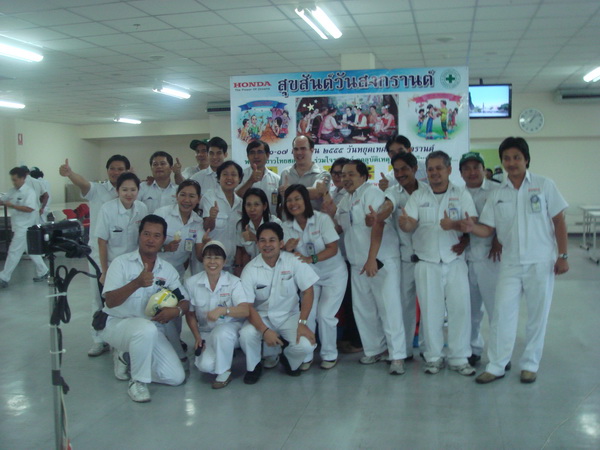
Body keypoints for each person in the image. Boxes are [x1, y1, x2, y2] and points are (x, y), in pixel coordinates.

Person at [461, 137, 569, 385]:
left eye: (516, 158)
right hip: (509, 264)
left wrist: (563, 255)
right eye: (507, 158)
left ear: (526, 159)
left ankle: (530, 364)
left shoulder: (544, 185)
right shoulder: (498, 193)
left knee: (537, 316)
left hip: (540, 261)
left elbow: (559, 221)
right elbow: (488, 229)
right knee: (502, 314)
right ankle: (497, 365)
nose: (511, 163)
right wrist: (471, 227)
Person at [400, 151, 477, 376]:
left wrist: (454, 225)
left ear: (449, 170)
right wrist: (405, 223)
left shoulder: (461, 194)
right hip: (427, 262)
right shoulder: (418, 196)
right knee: (430, 312)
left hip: (454, 261)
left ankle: (459, 358)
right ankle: (433, 357)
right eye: (431, 169)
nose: (434, 173)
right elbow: (409, 223)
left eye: (439, 168)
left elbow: (472, 222)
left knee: (459, 311)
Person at [328, 159, 407, 375]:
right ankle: (375, 350)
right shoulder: (345, 200)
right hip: (357, 264)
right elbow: (338, 228)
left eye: (351, 174)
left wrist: (372, 258)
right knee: (364, 310)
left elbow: (378, 225)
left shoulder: (372, 194)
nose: (346, 178)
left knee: (389, 309)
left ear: (364, 176)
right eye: (343, 175)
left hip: (380, 261)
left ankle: (397, 356)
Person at [99, 215, 190, 403]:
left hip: (150, 331)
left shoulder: (166, 270)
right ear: (139, 235)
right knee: (145, 328)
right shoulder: (121, 263)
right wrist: (136, 283)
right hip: (118, 325)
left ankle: (127, 357)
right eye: (146, 234)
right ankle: (137, 381)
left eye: (157, 236)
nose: (151, 240)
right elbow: (110, 301)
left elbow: (184, 300)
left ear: (163, 240)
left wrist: (177, 311)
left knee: (175, 377)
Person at [59, 154, 130, 357]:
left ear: (127, 170)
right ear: (107, 171)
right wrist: (70, 174)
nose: (116, 172)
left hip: (125, 253)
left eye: (121, 169)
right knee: (98, 297)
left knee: (126, 298)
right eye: (113, 168)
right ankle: (99, 339)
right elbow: (83, 183)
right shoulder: (98, 190)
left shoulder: (131, 190)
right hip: (99, 254)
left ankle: (122, 339)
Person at [239, 222, 318, 383]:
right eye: (262, 240)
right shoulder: (250, 269)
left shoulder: (293, 261)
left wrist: (302, 323)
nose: (267, 245)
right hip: (261, 317)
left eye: (272, 240)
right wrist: (264, 330)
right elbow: (247, 306)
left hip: (289, 316)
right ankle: (254, 366)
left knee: (307, 345)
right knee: (246, 334)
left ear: (281, 243)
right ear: (257, 243)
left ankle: (288, 358)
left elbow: (308, 291)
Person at [282, 184, 347, 370]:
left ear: (306, 200)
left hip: (333, 274)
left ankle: (329, 354)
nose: (293, 203)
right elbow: (286, 255)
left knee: (325, 315)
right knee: (308, 314)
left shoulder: (321, 219)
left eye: (297, 199)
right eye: (289, 200)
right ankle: (307, 354)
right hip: (309, 277)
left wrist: (311, 259)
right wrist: (288, 249)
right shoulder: (286, 226)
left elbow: (333, 249)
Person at [370, 152, 422, 359]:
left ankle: (431, 352)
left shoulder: (426, 191)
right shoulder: (393, 192)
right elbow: (387, 206)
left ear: (414, 169)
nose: (400, 174)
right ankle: (405, 351)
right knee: (405, 306)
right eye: (396, 170)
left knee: (431, 307)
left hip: (429, 259)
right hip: (406, 259)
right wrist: (379, 215)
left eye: (404, 169)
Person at [184, 241, 252, 389]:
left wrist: (224, 310)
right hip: (206, 331)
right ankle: (225, 354)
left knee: (222, 333)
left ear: (224, 261)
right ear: (202, 260)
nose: (212, 262)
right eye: (208, 257)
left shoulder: (234, 282)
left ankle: (224, 372)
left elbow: (245, 310)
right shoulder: (191, 283)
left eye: (217, 258)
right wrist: (197, 337)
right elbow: (190, 314)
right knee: (205, 366)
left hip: (231, 330)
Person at [458, 152, 501, 367]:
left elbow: (507, 219)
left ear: (484, 169)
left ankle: (499, 355)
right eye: (467, 168)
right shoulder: (457, 193)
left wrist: (499, 241)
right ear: (460, 173)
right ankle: (473, 349)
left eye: (476, 167)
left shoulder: (496, 190)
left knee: (496, 309)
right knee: (471, 310)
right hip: (466, 259)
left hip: (491, 257)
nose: (472, 172)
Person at [0, 167, 49, 288]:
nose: (14, 182)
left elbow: (29, 208)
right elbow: (3, 200)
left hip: (25, 227)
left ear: (23, 178)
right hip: (18, 225)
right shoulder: (13, 191)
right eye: (12, 180)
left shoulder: (29, 192)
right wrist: (5, 202)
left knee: (14, 251)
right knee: (31, 250)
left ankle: (4, 277)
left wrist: (12, 205)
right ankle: (43, 271)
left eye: (15, 180)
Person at [96, 173, 148, 286]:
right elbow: (102, 242)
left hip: (136, 264)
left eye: (133, 190)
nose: (129, 194)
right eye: (124, 190)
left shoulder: (142, 208)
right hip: (113, 264)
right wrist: (104, 272)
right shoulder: (107, 209)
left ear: (138, 190)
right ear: (117, 190)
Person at [154, 180, 205, 279]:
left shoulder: (198, 222)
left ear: (198, 199)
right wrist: (165, 248)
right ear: (176, 196)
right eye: (183, 195)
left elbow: (199, 256)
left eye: (191, 196)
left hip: (177, 273)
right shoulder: (162, 214)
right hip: (155, 268)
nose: (186, 200)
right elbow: (146, 245)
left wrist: (206, 244)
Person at [200, 161, 243, 272]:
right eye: (225, 174)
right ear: (219, 178)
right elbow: (207, 228)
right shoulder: (210, 197)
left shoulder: (241, 203)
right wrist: (212, 217)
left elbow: (239, 238)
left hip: (231, 263)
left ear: (239, 179)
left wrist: (238, 265)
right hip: (211, 261)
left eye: (233, 175)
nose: (229, 178)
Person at [279, 135, 331, 212]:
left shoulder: (323, 174)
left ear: (312, 150)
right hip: (288, 219)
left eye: (303, 149)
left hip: (313, 219)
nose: (299, 152)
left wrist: (290, 191)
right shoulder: (285, 173)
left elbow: (316, 193)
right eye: (296, 149)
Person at [235, 188, 281, 272]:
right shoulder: (241, 225)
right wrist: (238, 268)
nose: (252, 209)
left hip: (274, 267)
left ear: (264, 206)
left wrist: (256, 238)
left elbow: (281, 249)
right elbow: (240, 250)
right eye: (248, 205)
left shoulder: (275, 223)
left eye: (256, 204)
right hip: (252, 268)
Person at [236, 140, 280, 216]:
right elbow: (235, 198)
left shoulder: (276, 179)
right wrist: (251, 181)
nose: (256, 156)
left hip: (270, 220)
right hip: (246, 220)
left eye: (260, 152)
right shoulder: (239, 176)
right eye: (252, 153)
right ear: (248, 156)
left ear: (267, 155)